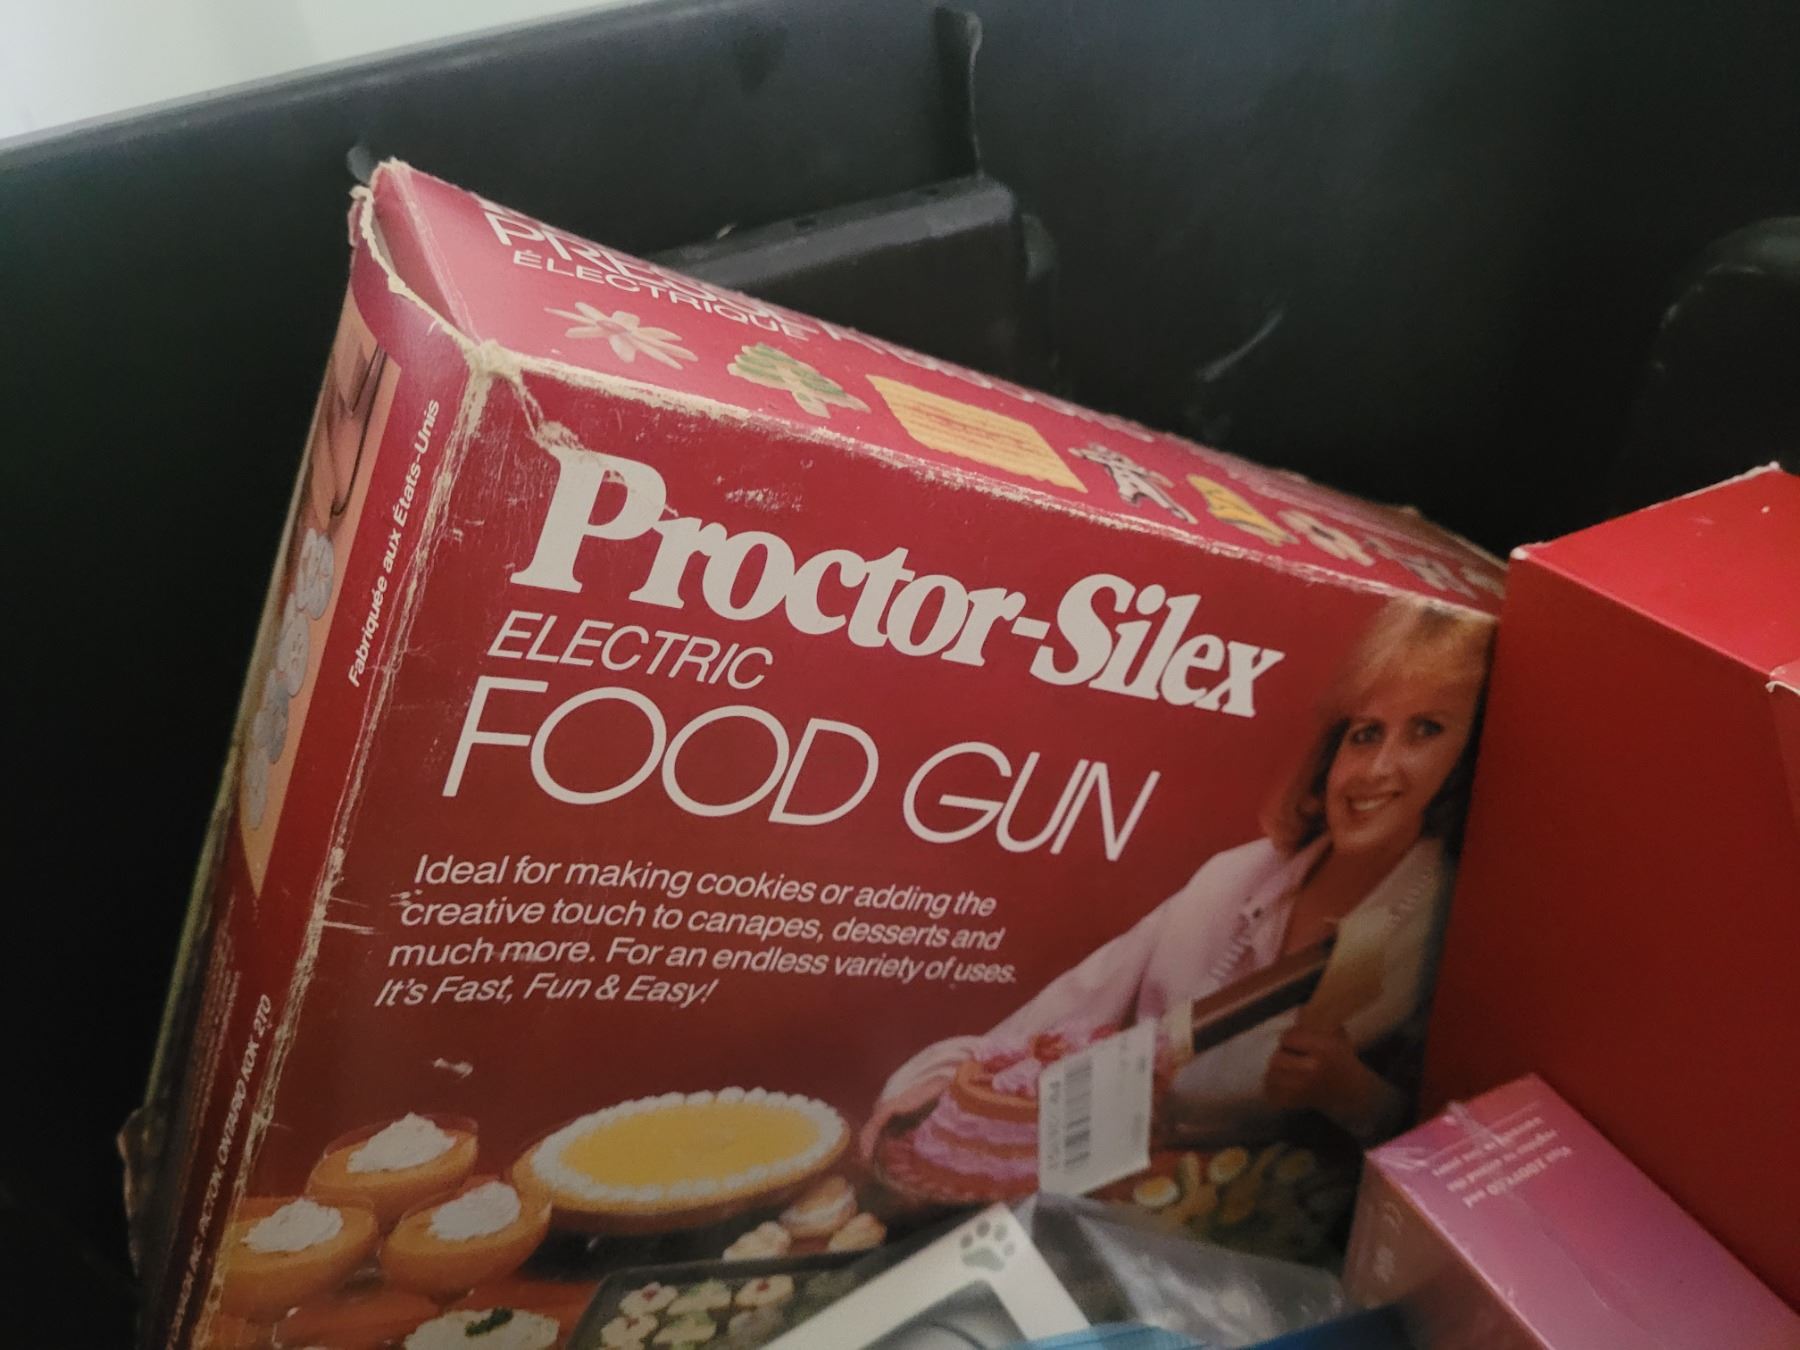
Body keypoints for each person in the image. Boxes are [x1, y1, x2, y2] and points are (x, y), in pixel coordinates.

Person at [864, 599, 1492, 1157]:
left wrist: (1359, 1099)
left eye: (1426, 731)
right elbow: (1057, 1015)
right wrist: (939, 1082)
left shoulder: (1455, 929)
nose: (1376, 769)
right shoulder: (1235, 876)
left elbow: (1474, 1159)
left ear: (1471, 758)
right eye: (1365, 734)